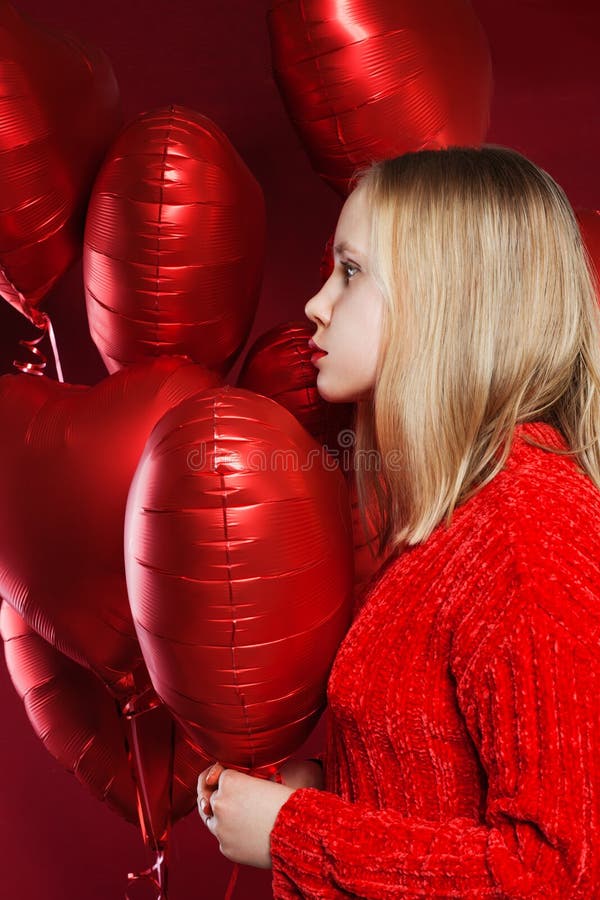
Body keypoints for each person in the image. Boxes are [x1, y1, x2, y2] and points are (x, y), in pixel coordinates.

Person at [197, 146, 600, 898]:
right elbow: (457, 789)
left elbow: (562, 874)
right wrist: (335, 790)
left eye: (350, 272)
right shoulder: (458, 520)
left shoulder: (525, 532)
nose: (316, 303)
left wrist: (295, 833)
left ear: (449, 299)